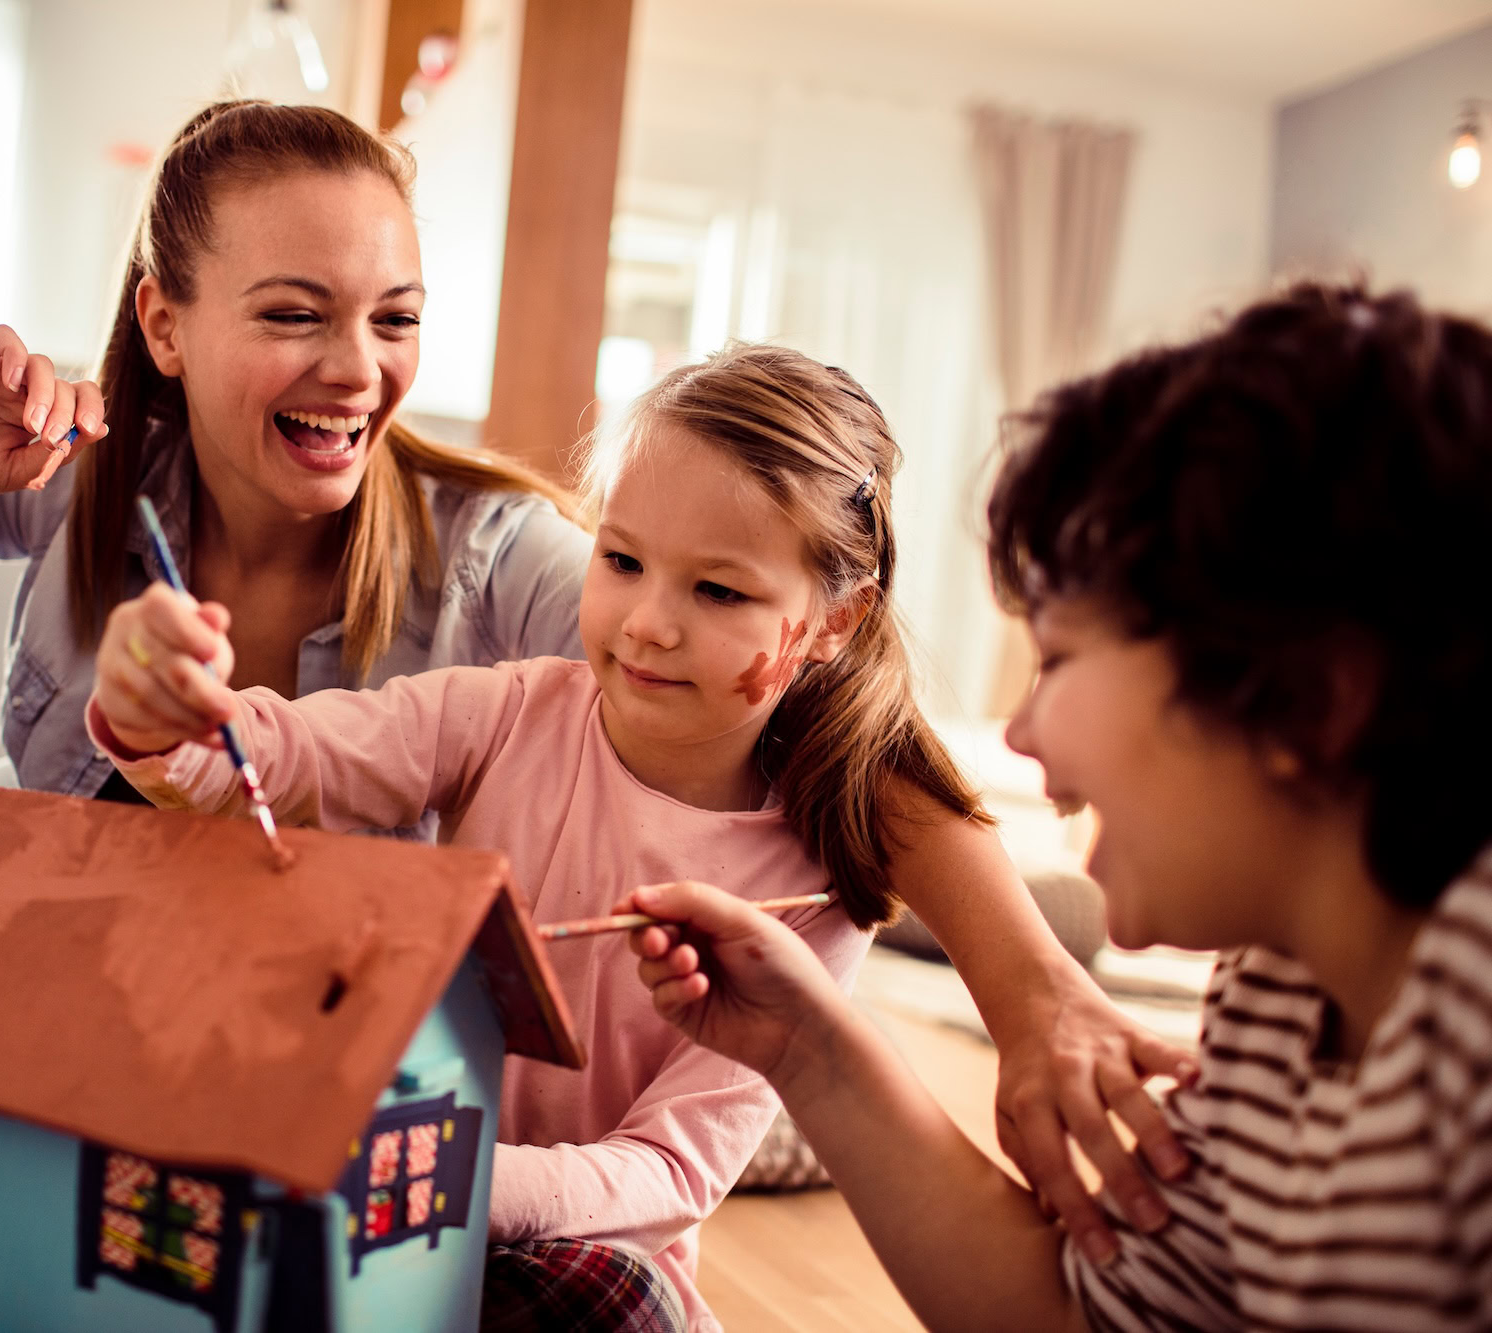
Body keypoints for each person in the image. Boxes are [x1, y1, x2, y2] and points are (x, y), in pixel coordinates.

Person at [0, 99, 1181, 1311]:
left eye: (393, 318)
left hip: (212, 1106)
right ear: (162, 320)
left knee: (149, 839)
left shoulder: (515, 564)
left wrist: (1031, 990)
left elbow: (825, 737)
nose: (356, 367)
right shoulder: (77, 476)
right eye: (291, 314)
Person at [89, 342, 1117, 1329]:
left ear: (831, 623)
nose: (646, 623)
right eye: (620, 560)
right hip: (385, 1213)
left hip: (575, 1258)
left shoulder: (816, 883)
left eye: (717, 590)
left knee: (600, 1292)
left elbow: (668, 1171)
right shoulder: (503, 713)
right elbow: (286, 756)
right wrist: (164, 710)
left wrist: (458, 1185)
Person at [625, 283, 1492, 1331]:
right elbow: (1098, 1322)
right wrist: (805, 1042)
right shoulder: (1272, 993)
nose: (1023, 731)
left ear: (1305, 700)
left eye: (1062, 658)